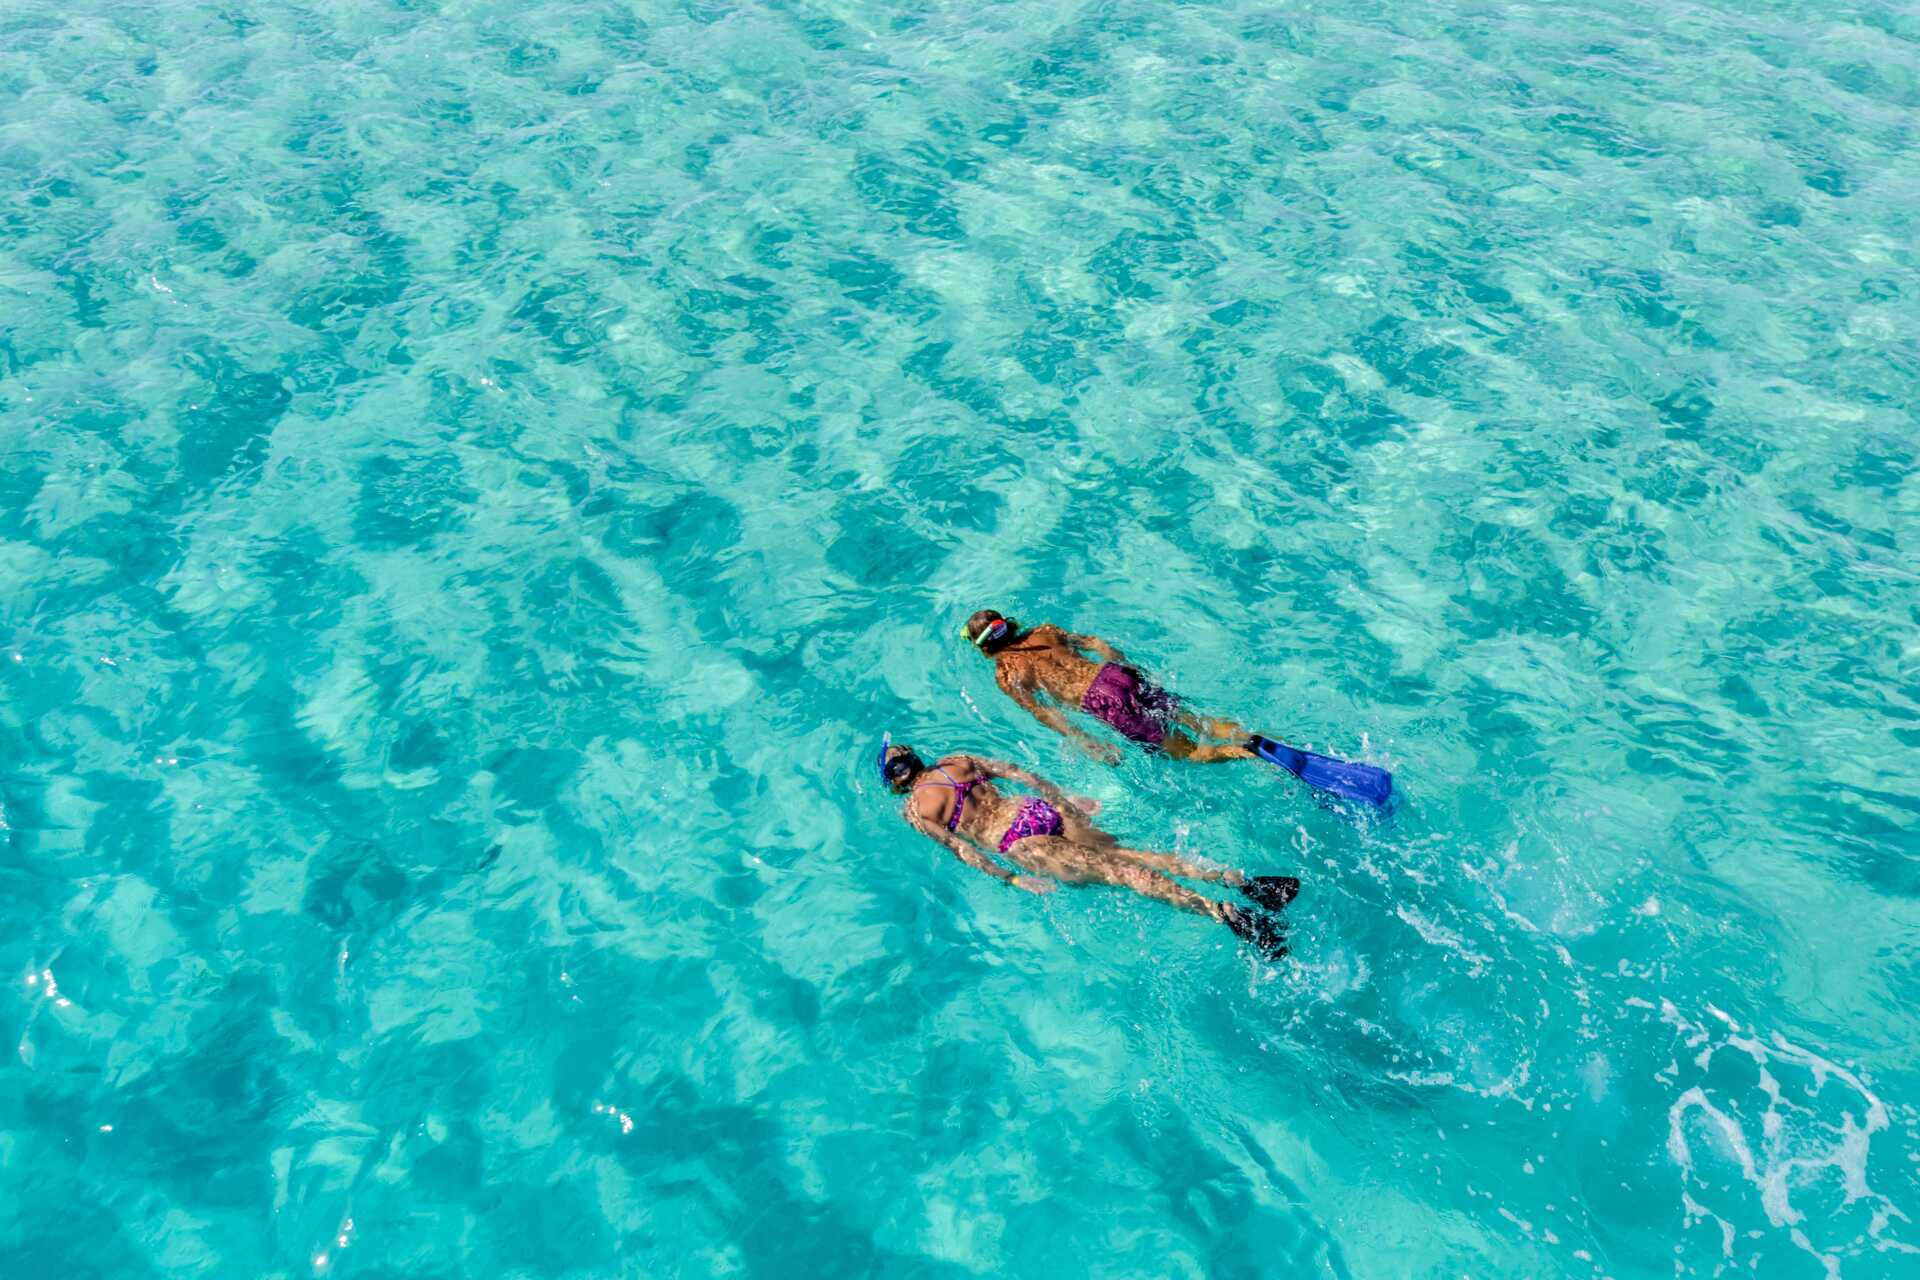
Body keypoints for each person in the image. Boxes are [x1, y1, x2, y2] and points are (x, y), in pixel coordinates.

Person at [877, 736, 1297, 957]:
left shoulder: (916, 811)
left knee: (1124, 874)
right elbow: (1019, 774)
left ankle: (1222, 913)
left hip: (1019, 843)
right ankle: (1234, 879)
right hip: (1036, 810)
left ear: (896, 782)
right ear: (917, 757)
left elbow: (963, 851)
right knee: (1130, 855)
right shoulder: (956, 759)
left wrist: (1012, 879)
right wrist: (1063, 799)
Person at [959, 608, 1393, 805]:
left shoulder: (1007, 675)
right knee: (1202, 721)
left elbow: (1045, 713)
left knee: (1190, 754)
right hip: (1115, 678)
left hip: (1101, 702)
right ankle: (1263, 740)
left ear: (984, 650)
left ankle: (1251, 751)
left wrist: (1085, 740)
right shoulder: (1047, 630)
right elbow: (1099, 646)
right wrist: (1127, 671)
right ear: (1009, 624)